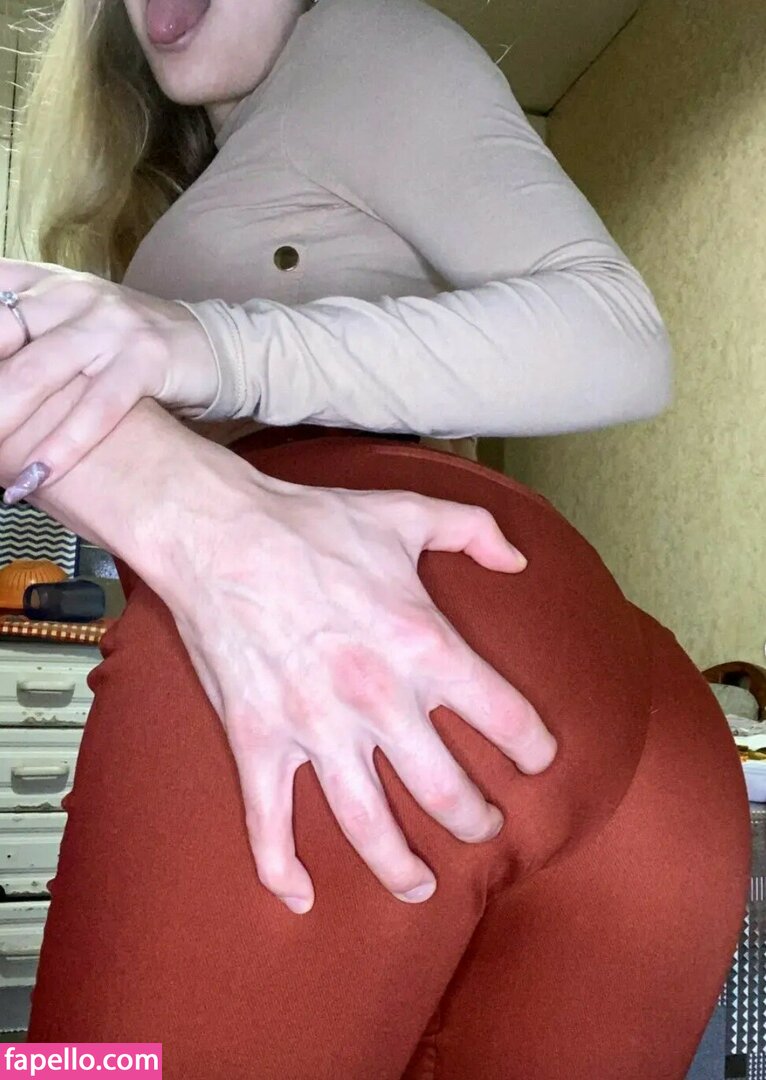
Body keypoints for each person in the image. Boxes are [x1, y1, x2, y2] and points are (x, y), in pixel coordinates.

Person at [0, 0, 749, 1075]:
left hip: (343, 635)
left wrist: (207, 352)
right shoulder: (247, 154)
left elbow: (618, 338)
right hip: (624, 710)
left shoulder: (352, 41)